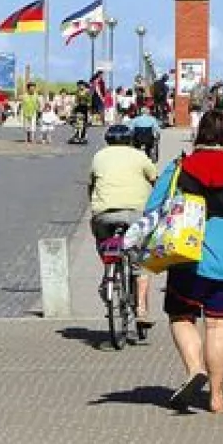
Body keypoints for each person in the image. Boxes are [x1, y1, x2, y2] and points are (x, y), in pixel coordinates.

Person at [144, 109, 223, 414]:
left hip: (188, 258)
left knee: (181, 316)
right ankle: (216, 397)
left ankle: (194, 368)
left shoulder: (179, 168)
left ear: (201, 135)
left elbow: (152, 207)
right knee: (218, 324)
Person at [90, 124, 161, 327]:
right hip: (135, 214)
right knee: (140, 261)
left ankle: (108, 272)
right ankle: (141, 310)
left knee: (102, 238)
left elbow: (91, 184)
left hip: (104, 214)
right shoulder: (139, 156)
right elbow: (155, 178)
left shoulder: (98, 157)